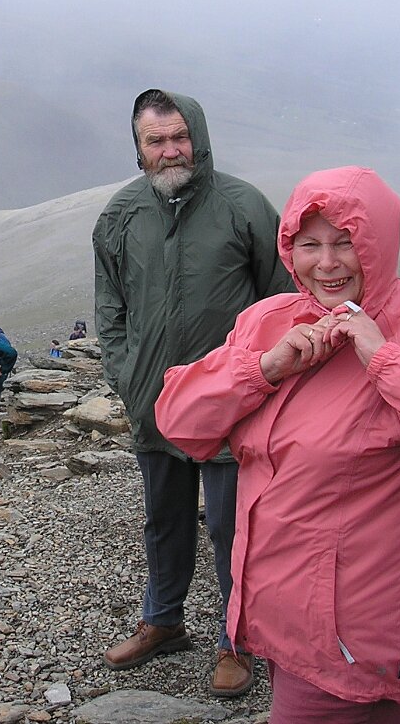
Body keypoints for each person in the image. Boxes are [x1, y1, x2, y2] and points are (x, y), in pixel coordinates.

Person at [156, 166, 400, 722]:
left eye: (346, 242)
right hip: (280, 617)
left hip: (353, 634)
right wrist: (264, 368)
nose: (326, 263)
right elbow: (180, 421)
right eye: (309, 245)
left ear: (378, 244)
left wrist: (387, 359)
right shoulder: (270, 320)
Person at [93, 88, 293, 697]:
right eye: (155, 140)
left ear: (198, 137)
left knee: (233, 526)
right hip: (155, 401)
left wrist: (259, 379)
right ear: (139, 147)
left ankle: (239, 640)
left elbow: (282, 300)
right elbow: (110, 308)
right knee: (164, 519)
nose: (170, 150)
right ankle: (163, 621)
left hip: (233, 404)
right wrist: (129, 378)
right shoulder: (121, 215)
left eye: (179, 137)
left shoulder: (243, 206)